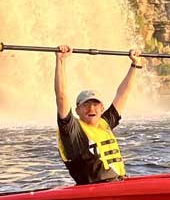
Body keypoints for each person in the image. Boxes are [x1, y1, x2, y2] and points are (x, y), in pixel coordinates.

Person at [54, 45, 143, 185]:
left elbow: (123, 94)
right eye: (86, 105)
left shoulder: (104, 123)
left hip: (118, 183)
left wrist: (135, 64)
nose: (91, 109)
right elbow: (61, 96)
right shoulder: (72, 131)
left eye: (96, 105)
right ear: (77, 110)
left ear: (102, 109)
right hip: (94, 189)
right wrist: (61, 60)